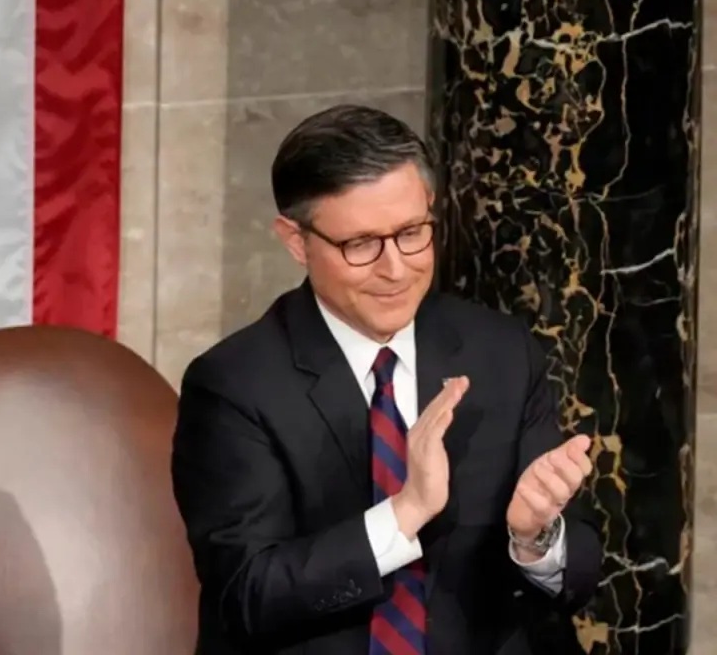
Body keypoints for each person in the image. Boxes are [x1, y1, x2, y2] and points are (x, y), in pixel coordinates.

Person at [170, 105, 602, 654]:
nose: (395, 269)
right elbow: (247, 594)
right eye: (361, 244)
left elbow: (578, 576)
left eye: (411, 233)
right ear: (296, 241)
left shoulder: (501, 352)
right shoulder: (234, 385)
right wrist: (404, 513)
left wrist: (533, 536)